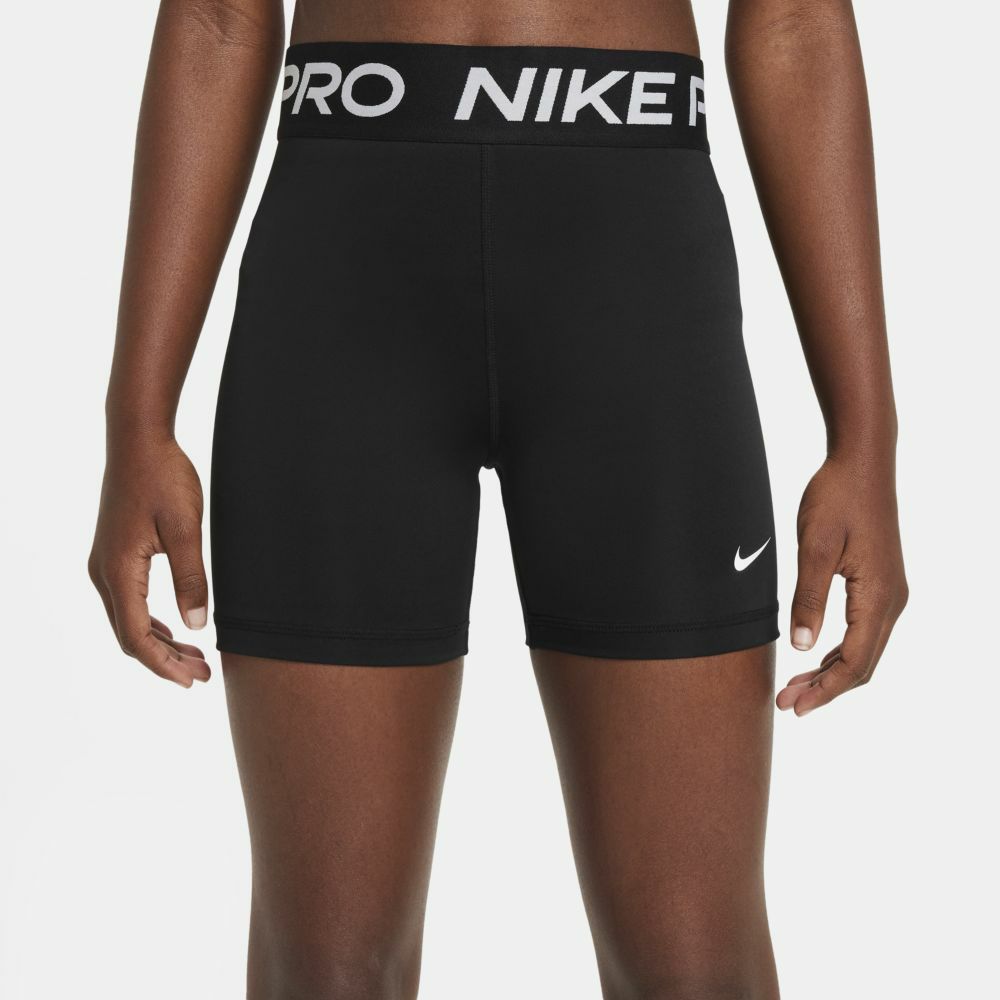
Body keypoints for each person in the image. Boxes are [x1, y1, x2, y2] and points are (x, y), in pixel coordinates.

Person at [88, 0, 908, 996]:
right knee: (328, 969)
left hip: (631, 269)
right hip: (343, 281)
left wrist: (865, 437)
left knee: (694, 967)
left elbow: (793, 21)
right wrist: (137, 418)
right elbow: (219, 17)